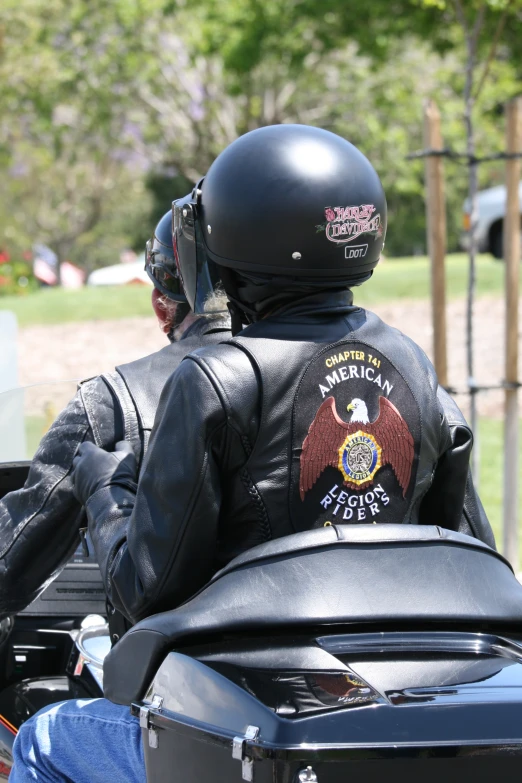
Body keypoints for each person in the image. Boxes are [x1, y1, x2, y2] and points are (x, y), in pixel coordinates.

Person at [11, 124, 495, 782]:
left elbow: (142, 598)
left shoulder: (216, 378)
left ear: (243, 238)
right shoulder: (415, 366)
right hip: (389, 714)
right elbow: (468, 556)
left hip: (229, 726)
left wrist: (105, 488)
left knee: (45, 737)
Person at [0, 211, 230, 621]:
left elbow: (10, 568)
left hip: (168, 668)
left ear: (162, 305)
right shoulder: (340, 377)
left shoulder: (110, 402)